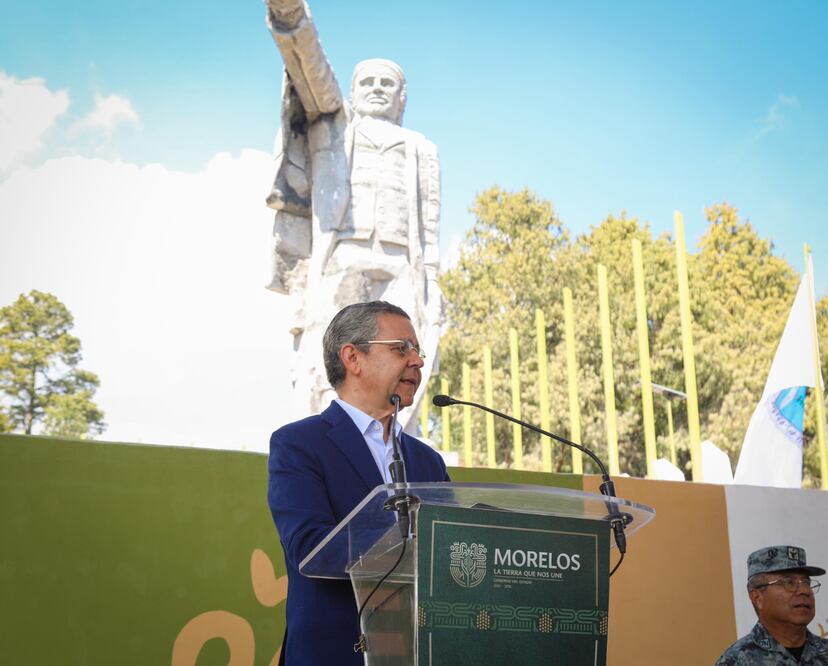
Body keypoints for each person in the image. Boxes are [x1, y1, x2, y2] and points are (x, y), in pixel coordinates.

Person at [263, 0, 442, 427]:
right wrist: (292, 19)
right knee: (336, 353)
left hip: (401, 264)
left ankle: (392, 433)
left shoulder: (422, 148)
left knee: (405, 356)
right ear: (354, 92)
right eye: (368, 82)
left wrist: (432, 281)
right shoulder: (336, 126)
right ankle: (332, 427)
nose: (377, 88)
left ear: (402, 98)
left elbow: (429, 227)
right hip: (344, 254)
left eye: (387, 83)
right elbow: (313, 73)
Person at [268, 301, 450, 665]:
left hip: (418, 652)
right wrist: (410, 537)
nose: (417, 361)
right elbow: (309, 548)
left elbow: (450, 553)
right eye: (402, 348)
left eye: (418, 351)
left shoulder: (427, 461)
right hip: (336, 653)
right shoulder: (300, 445)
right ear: (353, 358)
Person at [716, 545, 828, 665]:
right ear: (757, 597)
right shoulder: (735, 660)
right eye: (789, 582)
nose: (805, 591)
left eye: (806, 582)